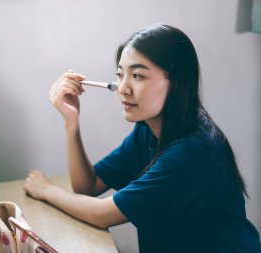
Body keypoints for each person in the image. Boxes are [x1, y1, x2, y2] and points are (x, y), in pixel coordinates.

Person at [23, 24, 261, 252]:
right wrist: (71, 122)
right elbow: (88, 186)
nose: (123, 88)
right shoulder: (147, 129)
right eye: (119, 75)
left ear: (176, 81)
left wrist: (45, 190)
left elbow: (101, 214)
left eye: (137, 76)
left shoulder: (191, 151)